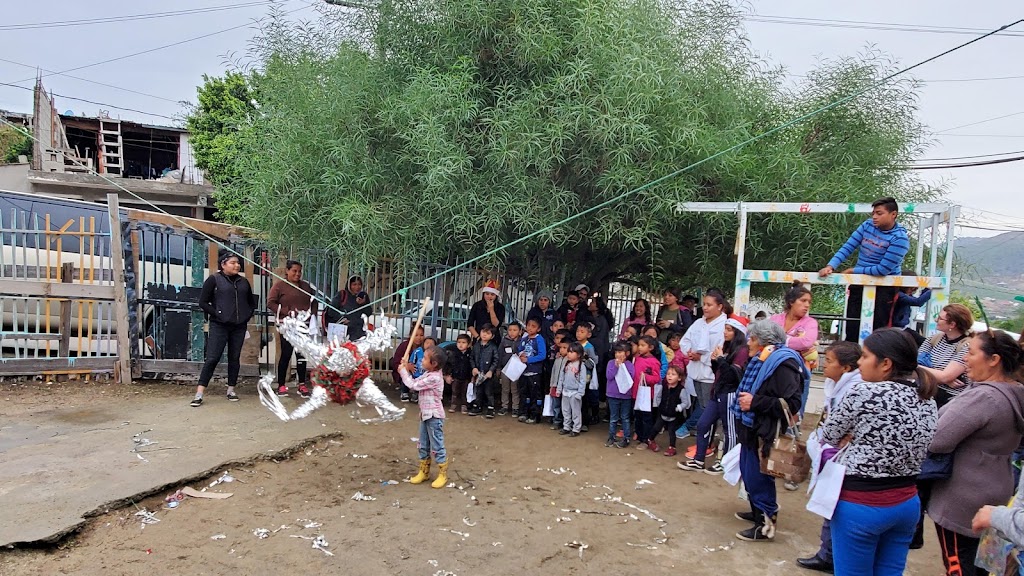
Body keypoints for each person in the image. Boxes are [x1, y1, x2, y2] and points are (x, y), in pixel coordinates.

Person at [820, 329, 939, 575]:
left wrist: (853, 437)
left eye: (864, 356)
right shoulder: (927, 398)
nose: (859, 363)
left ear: (886, 364)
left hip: (862, 505)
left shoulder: (864, 392)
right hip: (906, 503)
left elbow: (829, 435)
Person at [927, 330, 1024, 576]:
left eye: (970, 353)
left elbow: (937, 440)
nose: (965, 360)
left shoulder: (984, 397)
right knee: (980, 564)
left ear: (994, 360)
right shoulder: (1017, 392)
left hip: (963, 495)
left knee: (959, 564)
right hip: (997, 486)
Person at [731, 320, 806, 542]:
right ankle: (757, 512)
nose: (748, 343)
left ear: (766, 342)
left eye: (752, 339)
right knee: (749, 472)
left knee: (760, 475)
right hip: (751, 426)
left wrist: (755, 402)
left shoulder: (783, 363)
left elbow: (791, 402)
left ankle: (765, 523)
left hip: (765, 429)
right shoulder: (762, 360)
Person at [797, 341, 864, 573]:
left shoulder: (856, 389)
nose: (825, 364)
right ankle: (828, 553)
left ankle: (831, 556)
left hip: (842, 455)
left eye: (831, 361)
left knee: (834, 504)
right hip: (831, 447)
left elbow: (841, 428)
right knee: (829, 503)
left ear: (845, 368)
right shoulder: (833, 384)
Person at [819, 197, 910, 342]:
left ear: (893, 214)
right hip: (859, 282)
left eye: (879, 213)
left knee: (878, 330)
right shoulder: (867, 225)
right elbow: (848, 246)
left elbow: (883, 270)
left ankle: (875, 362)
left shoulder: (900, 238)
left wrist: (853, 271)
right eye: (873, 213)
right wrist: (831, 266)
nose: (874, 217)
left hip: (884, 287)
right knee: (852, 326)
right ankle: (851, 360)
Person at [679, 315, 749, 473]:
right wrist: (715, 360)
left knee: (729, 429)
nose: (725, 332)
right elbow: (718, 371)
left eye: (729, 329)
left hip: (730, 393)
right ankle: (699, 459)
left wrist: (720, 360)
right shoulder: (726, 347)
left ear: (738, 332)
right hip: (718, 390)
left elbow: (732, 376)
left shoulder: (742, 351)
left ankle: (725, 463)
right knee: (703, 423)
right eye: (725, 328)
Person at [190, 252, 257, 407]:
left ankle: (231, 390)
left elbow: (251, 302)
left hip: (239, 326)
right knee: (212, 357)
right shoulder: (214, 280)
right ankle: (199, 393)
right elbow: (203, 302)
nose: (237, 265)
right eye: (233, 262)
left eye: (238, 263)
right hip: (219, 325)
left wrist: (246, 316)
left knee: (234, 358)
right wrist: (218, 314)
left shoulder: (243, 282)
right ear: (223, 264)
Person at [678, 290, 729, 438]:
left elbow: (721, 350)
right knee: (702, 404)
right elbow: (685, 341)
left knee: (709, 408)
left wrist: (702, 357)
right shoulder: (698, 323)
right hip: (695, 370)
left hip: (710, 373)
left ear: (719, 307)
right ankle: (704, 438)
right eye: (704, 304)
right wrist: (690, 352)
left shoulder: (723, 326)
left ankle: (708, 440)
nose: (705, 308)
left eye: (709, 305)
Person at [400, 345, 450, 489]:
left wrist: (403, 371)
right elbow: (415, 380)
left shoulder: (434, 378)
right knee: (423, 444)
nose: (421, 360)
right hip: (425, 415)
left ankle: (442, 473)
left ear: (434, 364)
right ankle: (424, 471)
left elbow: (413, 385)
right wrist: (405, 367)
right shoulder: (429, 374)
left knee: (437, 445)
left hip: (434, 416)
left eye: (425, 358)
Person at [267, 260, 318, 398]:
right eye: (294, 271)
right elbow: (270, 303)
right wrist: (286, 311)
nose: (297, 274)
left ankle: (302, 384)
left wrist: (311, 316)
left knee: (301, 356)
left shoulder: (306, 286)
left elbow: (314, 301)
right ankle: (281, 385)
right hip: (287, 326)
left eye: (299, 271)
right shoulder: (279, 286)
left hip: (303, 326)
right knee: (286, 354)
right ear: (287, 271)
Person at [771, 282, 819, 417]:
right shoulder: (775, 319)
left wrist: (781, 341)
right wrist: (792, 342)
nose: (807, 305)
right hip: (774, 368)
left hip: (800, 370)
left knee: (795, 409)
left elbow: (806, 341)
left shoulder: (810, 323)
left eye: (809, 302)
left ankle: (794, 429)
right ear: (791, 302)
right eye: (803, 301)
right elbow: (765, 337)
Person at [918, 303, 974, 408]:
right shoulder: (934, 339)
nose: (936, 320)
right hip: (928, 393)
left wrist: (942, 376)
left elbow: (945, 377)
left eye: (940, 318)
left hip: (950, 402)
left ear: (952, 325)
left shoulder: (967, 347)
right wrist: (941, 375)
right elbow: (916, 363)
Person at [647, 365, 687, 456]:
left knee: (671, 431)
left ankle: (672, 447)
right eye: (668, 374)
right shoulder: (663, 386)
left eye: (673, 374)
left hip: (674, 415)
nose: (670, 376)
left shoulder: (681, 390)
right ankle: (650, 440)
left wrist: (678, 408)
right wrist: (657, 406)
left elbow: (686, 403)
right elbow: (658, 396)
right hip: (662, 412)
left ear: (679, 378)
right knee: (656, 428)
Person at [632, 335, 662, 450]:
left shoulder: (653, 362)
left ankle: (646, 439)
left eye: (643, 345)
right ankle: (640, 436)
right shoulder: (638, 358)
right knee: (638, 416)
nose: (639, 348)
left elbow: (656, 378)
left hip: (646, 394)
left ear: (651, 347)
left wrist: (646, 377)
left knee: (646, 418)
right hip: (636, 393)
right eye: (639, 345)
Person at [517, 318, 547, 424]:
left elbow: (542, 355)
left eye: (533, 326)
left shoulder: (539, 339)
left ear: (538, 329)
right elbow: (520, 349)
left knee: (535, 394)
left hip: (534, 372)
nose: (530, 328)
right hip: (524, 371)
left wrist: (528, 360)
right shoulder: (524, 338)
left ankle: (535, 415)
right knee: (525, 393)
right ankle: (524, 413)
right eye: (528, 325)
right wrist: (521, 355)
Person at [555, 342, 589, 437]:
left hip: (575, 392)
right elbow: (561, 377)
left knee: (576, 412)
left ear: (578, 355)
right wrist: (559, 389)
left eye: (572, 352)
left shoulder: (581, 366)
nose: (569, 354)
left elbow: (583, 380)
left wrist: (580, 393)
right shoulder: (566, 364)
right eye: (568, 352)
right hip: (565, 391)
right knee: (565, 410)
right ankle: (566, 427)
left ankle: (576, 428)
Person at [606, 341, 635, 448]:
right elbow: (609, 376)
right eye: (616, 352)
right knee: (613, 418)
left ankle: (626, 438)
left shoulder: (630, 365)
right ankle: (611, 437)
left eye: (621, 352)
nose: (618, 355)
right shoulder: (611, 363)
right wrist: (616, 367)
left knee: (625, 417)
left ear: (627, 353)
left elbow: (630, 378)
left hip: (626, 396)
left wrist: (622, 366)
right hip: (612, 395)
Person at [324, 275, 372, 341]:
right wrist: (343, 319)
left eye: (359, 284)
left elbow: (368, 313)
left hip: (358, 332)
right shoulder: (342, 295)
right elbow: (331, 311)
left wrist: (363, 304)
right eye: (354, 284)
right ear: (349, 285)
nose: (357, 287)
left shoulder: (363, 296)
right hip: (342, 331)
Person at [471, 324, 500, 418]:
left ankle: (491, 408)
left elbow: (496, 360)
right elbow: (471, 358)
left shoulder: (493, 347)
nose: (484, 335)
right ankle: (477, 407)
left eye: (488, 333)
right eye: (483, 332)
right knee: (478, 391)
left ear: (492, 336)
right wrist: (474, 368)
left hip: (488, 374)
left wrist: (491, 371)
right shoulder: (476, 346)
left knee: (489, 392)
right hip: (478, 373)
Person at [392, 325, 426, 403]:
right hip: (406, 372)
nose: (419, 338)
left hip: (419, 372)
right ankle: (404, 391)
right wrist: (406, 366)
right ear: (410, 335)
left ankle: (416, 392)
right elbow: (395, 363)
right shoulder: (404, 346)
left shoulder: (424, 348)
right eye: (416, 335)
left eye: (421, 335)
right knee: (405, 372)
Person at [497, 321, 523, 416]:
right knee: (505, 388)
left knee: (515, 389)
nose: (512, 332)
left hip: (516, 370)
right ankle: (504, 406)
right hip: (505, 369)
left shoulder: (522, 341)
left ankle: (515, 407)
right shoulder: (504, 341)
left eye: (515, 330)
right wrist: (498, 368)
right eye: (510, 330)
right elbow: (500, 354)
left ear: (520, 331)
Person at [444, 334, 474, 414]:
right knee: (454, 391)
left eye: (463, 342)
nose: (461, 344)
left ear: (469, 344)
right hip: (455, 376)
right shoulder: (454, 354)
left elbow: (472, 366)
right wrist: (448, 375)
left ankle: (464, 405)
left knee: (464, 392)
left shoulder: (471, 354)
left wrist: (472, 377)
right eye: (459, 342)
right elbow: (449, 365)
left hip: (466, 376)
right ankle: (453, 405)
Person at [548, 337, 571, 431]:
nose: (562, 349)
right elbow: (553, 372)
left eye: (565, 348)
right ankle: (556, 421)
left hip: (565, 387)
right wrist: (551, 385)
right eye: (561, 347)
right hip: (555, 386)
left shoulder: (570, 361)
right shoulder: (557, 359)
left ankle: (566, 423)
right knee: (556, 405)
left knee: (565, 406)